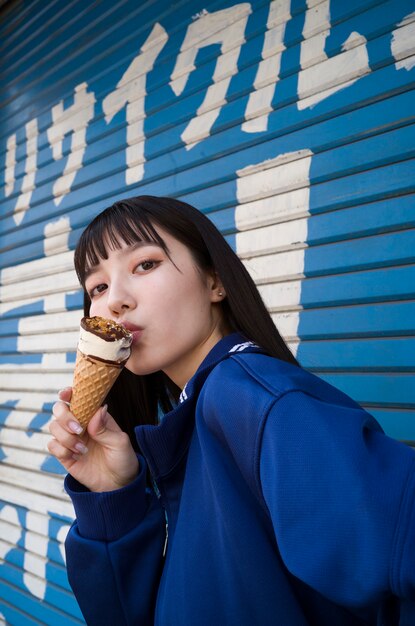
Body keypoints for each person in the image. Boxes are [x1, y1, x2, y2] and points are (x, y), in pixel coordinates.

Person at [48, 195, 415, 626]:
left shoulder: (252, 399)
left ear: (215, 281)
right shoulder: (196, 416)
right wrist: (113, 496)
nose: (115, 301)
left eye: (145, 264)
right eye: (98, 287)